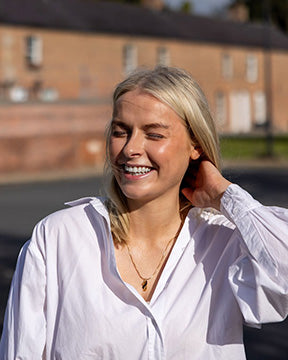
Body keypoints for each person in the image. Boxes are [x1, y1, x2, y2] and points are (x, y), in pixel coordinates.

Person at [1, 66, 288, 360]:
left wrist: (227, 196)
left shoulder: (225, 241)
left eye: (154, 134)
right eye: (120, 132)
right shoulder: (58, 237)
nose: (130, 149)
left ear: (195, 146)